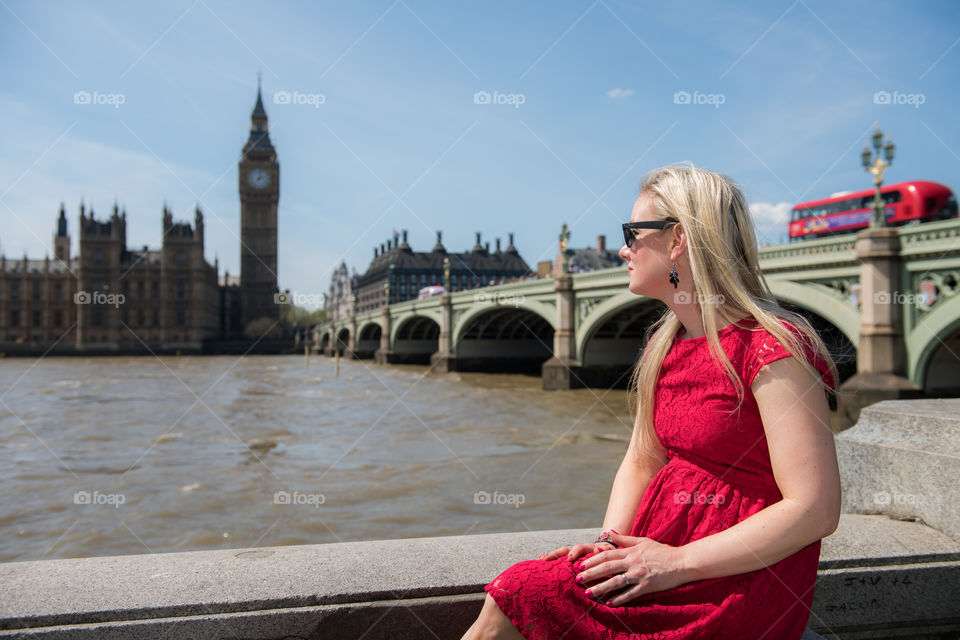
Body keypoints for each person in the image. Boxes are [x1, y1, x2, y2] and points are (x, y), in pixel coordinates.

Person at [461, 164, 840, 640]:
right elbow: (642, 459)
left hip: (731, 579)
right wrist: (606, 544)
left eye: (632, 233)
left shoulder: (770, 349)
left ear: (678, 238)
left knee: (514, 595)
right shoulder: (667, 345)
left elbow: (816, 507)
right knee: (513, 594)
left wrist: (677, 562)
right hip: (654, 555)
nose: (623, 249)